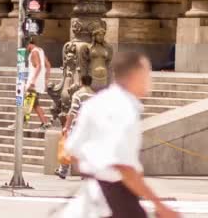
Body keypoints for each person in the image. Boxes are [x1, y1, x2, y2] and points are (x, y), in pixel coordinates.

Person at [64, 52, 180, 218]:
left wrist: (95, 175)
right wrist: (159, 205)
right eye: (147, 75)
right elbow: (124, 167)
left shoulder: (96, 103)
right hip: (117, 200)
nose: (150, 81)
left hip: (93, 197)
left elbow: (72, 151)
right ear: (136, 76)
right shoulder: (125, 110)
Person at [55, 75, 95, 180]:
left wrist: (66, 127)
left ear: (81, 82)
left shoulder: (78, 94)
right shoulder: (94, 95)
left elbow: (73, 112)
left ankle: (63, 171)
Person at [10, 39, 52, 131]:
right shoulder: (40, 50)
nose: (26, 49)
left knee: (26, 102)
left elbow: (39, 66)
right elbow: (48, 65)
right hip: (38, 83)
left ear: (29, 44)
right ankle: (45, 123)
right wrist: (46, 79)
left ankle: (20, 123)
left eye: (26, 46)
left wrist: (33, 80)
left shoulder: (33, 52)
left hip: (33, 83)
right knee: (34, 104)